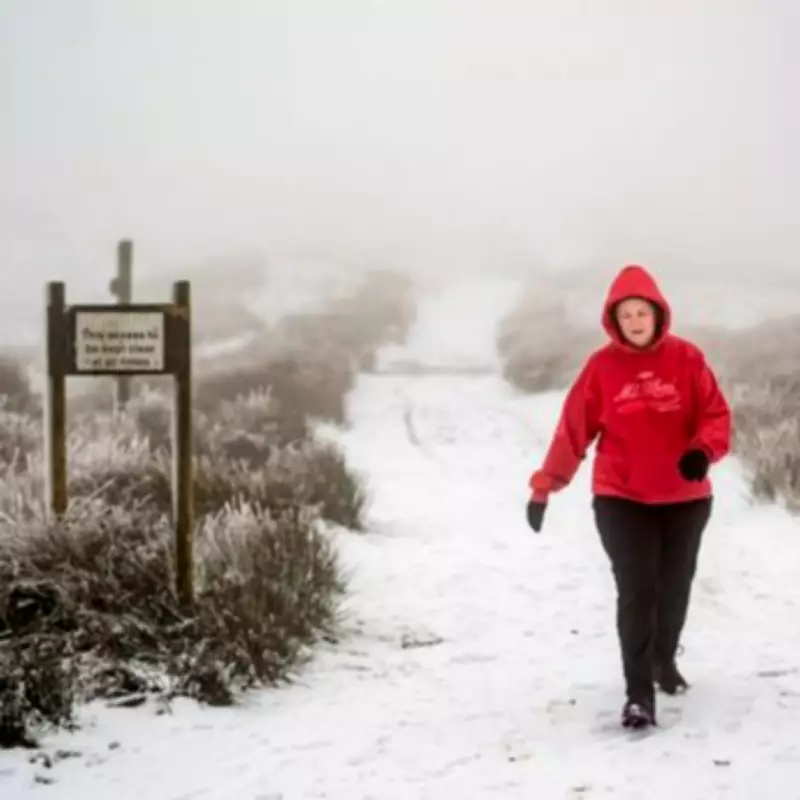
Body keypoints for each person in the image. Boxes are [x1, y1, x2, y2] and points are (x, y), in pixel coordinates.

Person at [525, 264, 731, 729]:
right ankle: (638, 694)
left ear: (659, 314)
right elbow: (572, 431)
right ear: (613, 322)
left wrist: (702, 450)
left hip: (686, 497)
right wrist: (545, 485)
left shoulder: (688, 359)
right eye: (626, 315)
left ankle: (663, 659)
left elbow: (716, 415)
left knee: (673, 588)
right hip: (622, 496)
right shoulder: (601, 368)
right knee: (637, 589)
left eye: (642, 312)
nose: (635, 321)